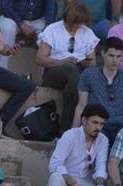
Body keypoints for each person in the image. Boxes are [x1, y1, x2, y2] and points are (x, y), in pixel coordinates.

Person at [36, 2, 99, 133]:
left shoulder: (87, 32)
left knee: (81, 77)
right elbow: (40, 59)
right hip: (54, 72)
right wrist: (63, 62)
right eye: (73, 25)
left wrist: (85, 62)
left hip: (78, 72)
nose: (76, 28)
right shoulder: (52, 29)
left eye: (79, 25)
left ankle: (70, 129)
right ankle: (68, 127)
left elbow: (93, 63)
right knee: (72, 70)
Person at [76, 36, 123, 138]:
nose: (115, 60)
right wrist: (74, 132)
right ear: (103, 54)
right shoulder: (89, 74)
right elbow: (82, 105)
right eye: (111, 55)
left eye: (118, 56)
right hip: (97, 124)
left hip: (119, 125)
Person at [0, 0, 55, 67]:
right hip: (13, 18)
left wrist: (48, 27)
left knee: (50, 36)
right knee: (7, 29)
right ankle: (1, 69)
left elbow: (51, 5)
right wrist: (21, 24)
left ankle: (47, 74)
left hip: (38, 20)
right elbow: (5, 6)